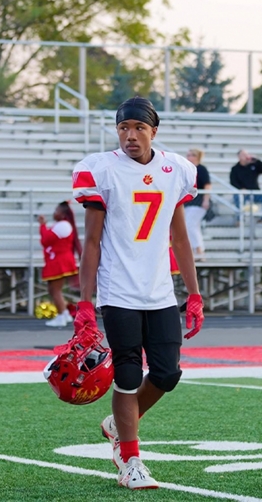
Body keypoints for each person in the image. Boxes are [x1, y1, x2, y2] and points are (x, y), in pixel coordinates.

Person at [72, 96, 204, 490]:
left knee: (167, 373)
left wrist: (193, 293)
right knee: (127, 375)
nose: (130, 136)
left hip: (160, 291)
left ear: (154, 131)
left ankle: (118, 424)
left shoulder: (175, 169)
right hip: (118, 290)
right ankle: (130, 459)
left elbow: (179, 236)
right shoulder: (102, 169)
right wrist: (85, 302)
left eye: (139, 128)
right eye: (123, 128)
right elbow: (91, 241)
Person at [37, 201, 82, 328]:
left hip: (60, 261)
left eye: (57, 211)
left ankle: (62, 315)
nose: (54, 213)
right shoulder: (60, 225)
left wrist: (42, 225)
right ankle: (64, 313)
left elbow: (46, 240)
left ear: (63, 214)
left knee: (55, 290)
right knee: (53, 289)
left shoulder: (63, 225)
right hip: (56, 260)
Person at [183, 148, 211, 259]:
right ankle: (198, 249)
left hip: (198, 201)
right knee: (193, 225)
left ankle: (198, 248)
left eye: (192, 155)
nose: (189, 157)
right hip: (189, 202)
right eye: (188, 155)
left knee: (190, 224)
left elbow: (207, 185)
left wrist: (206, 199)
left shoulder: (201, 169)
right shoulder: (187, 169)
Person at [230, 149, 262, 222]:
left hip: (254, 192)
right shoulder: (235, 169)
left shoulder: (253, 165)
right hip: (243, 193)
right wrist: (241, 189)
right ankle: (240, 219)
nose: (246, 156)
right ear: (239, 157)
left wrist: (256, 160)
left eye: (247, 154)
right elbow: (233, 182)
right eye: (243, 155)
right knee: (238, 197)